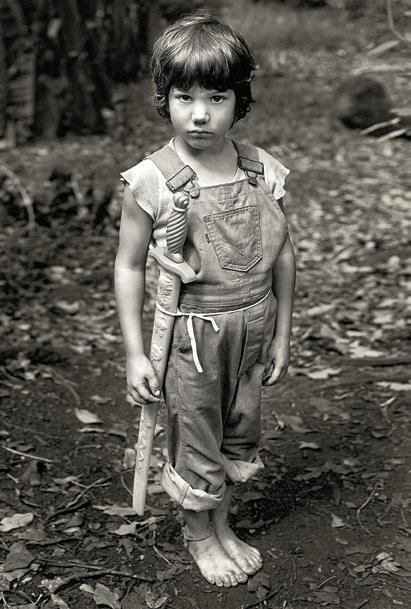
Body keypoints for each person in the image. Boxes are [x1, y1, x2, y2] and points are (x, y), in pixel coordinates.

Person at [114, 12, 296, 589]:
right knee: (196, 436)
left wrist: (283, 334)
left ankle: (221, 524)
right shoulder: (152, 181)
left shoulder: (260, 171)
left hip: (254, 329)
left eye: (216, 98)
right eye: (184, 97)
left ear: (239, 100)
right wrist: (136, 354)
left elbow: (283, 255)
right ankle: (199, 536)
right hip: (194, 339)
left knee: (239, 431)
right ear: (163, 98)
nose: (199, 114)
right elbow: (128, 266)